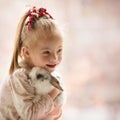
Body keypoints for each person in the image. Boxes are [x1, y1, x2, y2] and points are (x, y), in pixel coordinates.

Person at [0, 6, 64, 120]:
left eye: (59, 50)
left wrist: (54, 110)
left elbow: (51, 110)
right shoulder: (20, 76)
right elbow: (30, 115)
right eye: (46, 52)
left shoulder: (44, 71)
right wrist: (54, 93)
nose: (55, 58)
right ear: (27, 52)